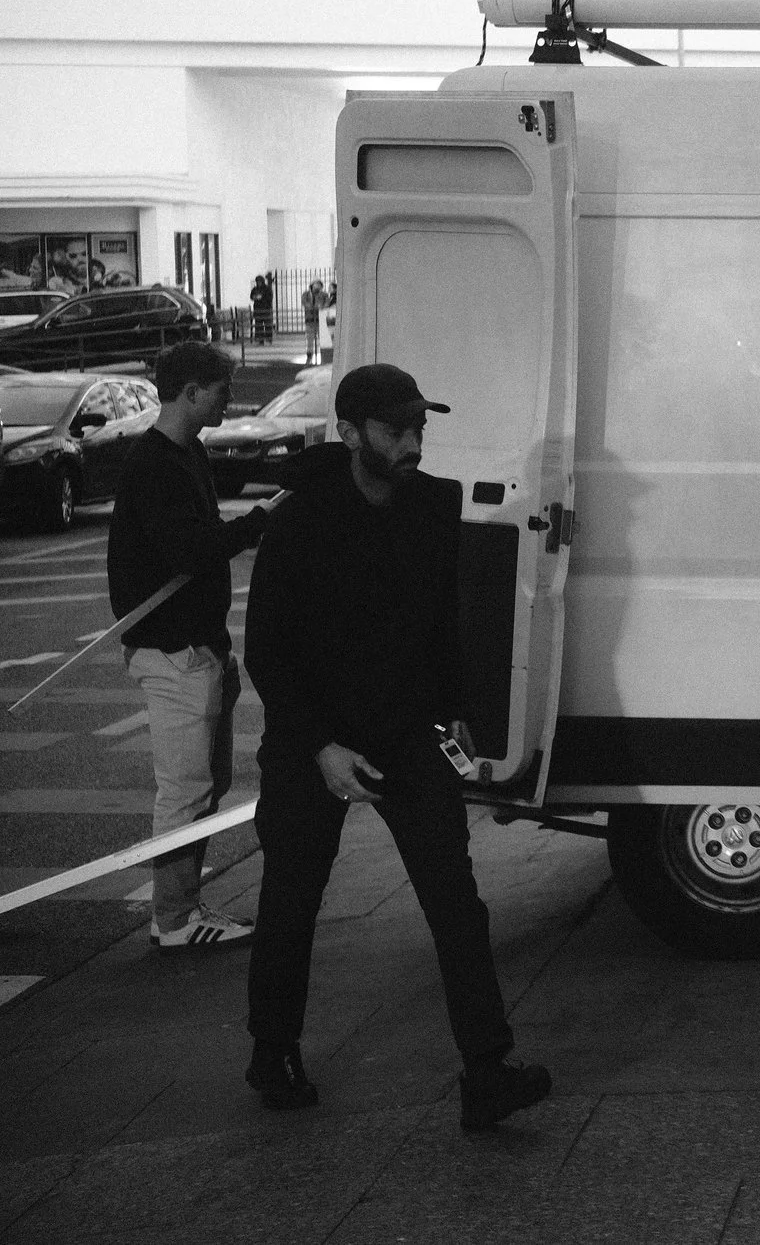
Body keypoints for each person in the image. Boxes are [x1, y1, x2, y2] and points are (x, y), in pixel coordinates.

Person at [241, 363, 552, 1129]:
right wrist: (320, 747)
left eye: (420, 426)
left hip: (410, 733)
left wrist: (454, 711)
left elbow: (440, 621)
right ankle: (271, 1049)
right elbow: (267, 651)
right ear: (350, 433)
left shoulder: (433, 502)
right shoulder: (300, 518)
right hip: (314, 740)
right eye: (395, 428)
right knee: (292, 899)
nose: (412, 441)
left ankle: (487, 1069)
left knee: (456, 903)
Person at [108, 342, 274, 950]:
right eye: (224, 386)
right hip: (174, 653)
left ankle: (184, 906)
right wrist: (257, 525)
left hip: (202, 647)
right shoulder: (153, 466)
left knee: (206, 784)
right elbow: (190, 551)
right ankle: (174, 920)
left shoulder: (189, 454)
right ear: (192, 392)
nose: (230, 396)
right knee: (185, 791)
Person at [250, 274, 273, 344]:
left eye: (260, 281)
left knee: (267, 324)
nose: (258, 283)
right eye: (257, 281)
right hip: (257, 309)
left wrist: (262, 298)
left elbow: (270, 298)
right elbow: (251, 296)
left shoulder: (267, 288)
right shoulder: (255, 289)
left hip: (266, 309)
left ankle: (269, 338)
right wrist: (255, 297)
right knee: (259, 325)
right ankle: (260, 339)